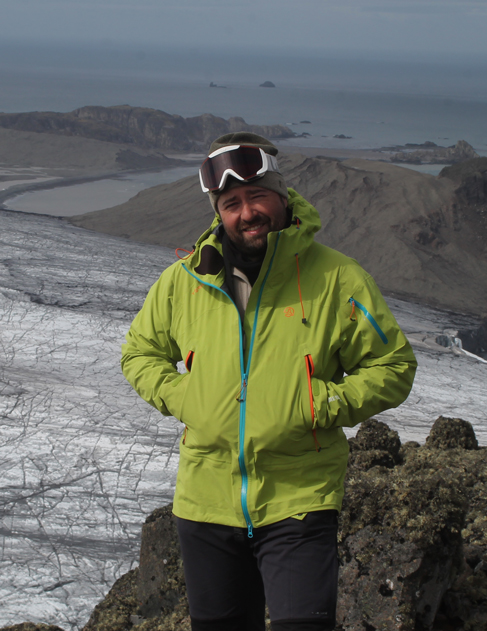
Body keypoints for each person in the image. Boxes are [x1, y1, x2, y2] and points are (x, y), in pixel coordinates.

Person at [121, 132, 417, 631]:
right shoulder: (186, 280)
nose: (247, 212)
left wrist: (320, 403)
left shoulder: (337, 279)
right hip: (206, 502)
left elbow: (393, 365)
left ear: (281, 196)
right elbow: (139, 353)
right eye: (231, 202)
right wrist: (186, 397)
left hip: (300, 498)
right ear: (219, 212)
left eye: (257, 195)